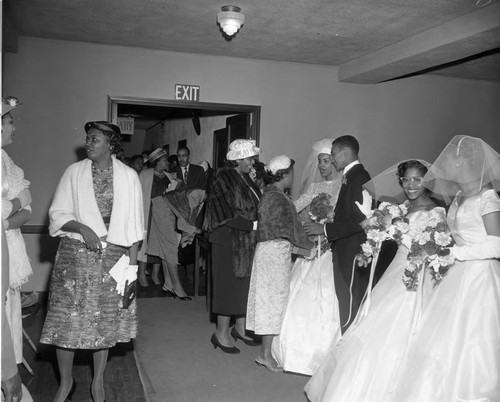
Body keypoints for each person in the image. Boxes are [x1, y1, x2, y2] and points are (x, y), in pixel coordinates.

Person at [305, 159, 444, 401]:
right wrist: (376, 225)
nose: (411, 185)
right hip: (394, 274)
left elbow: (433, 252)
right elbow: (378, 231)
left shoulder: (436, 212)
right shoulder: (401, 207)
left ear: (428, 181)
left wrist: (399, 233)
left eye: (417, 179)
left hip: (414, 280)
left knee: (399, 333)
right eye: (406, 179)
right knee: (371, 327)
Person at [40, 121, 144, 402]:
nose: (88, 143)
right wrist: (83, 228)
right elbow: (58, 214)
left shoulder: (129, 176)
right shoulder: (73, 173)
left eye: (94, 139)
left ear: (111, 143)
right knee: (66, 322)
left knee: (104, 321)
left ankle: (98, 382)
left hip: (113, 256)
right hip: (74, 258)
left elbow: (135, 228)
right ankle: (66, 383)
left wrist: (131, 270)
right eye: (87, 138)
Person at [394, 136, 500, 401]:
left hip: (478, 276)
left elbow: (496, 246)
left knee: (472, 339)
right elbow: (452, 234)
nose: (442, 167)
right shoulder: (461, 195)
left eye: (448, 160)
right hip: (455, 272)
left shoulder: (488, 197)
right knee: (443, 336)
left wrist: (453, 253)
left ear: (461, 161)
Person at [272, 139, 343, 375]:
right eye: (319, 161)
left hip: (335, 250)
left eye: (326, 161)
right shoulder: (315, 189)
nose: (321, 166)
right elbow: (292, 208)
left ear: (335, 161)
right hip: (315, 248)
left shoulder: (346, 186)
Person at [246, 155, 312, 372]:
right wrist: (308, 245)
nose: (294, 176)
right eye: (292, 172)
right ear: (284, 175)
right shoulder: (277, 198)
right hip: (274, 253)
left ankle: (265, 352)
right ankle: (265, 354)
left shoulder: (271, 193)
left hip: (270, 252)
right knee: (273, 304)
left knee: (270, 302)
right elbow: (284, 228)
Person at [304, 135, 371, 332]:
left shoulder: (359, 177)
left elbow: (360, 221)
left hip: (352, 251)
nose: (332, 160)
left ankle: (349, 348)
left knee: (350, 302)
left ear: (345, 152)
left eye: (333, 155)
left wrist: (324, 229)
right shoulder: (351, 176)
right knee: (345, 301)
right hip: (343, 249)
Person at [203, 139, 262, 354]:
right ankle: (220, 333)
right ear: (237, 159)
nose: (252, 162)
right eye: (249, 158)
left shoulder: (244, 176)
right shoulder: (222, 176)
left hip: (245, 240)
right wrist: (252, 225)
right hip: (227, 240)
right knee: (228, 288)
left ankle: (239, 327)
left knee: (243, 286)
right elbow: (224, 211)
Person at [1, 96, 33, 370]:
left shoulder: (5, 158)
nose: (14, 128)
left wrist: (9, 222)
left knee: (11, 314)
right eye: (10, 122)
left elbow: (29, 207)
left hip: (9, 244)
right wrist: (19, 201)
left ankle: (9, 377)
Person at [137, 148, 190, 299]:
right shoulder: (145, 175)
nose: (167, 162)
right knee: (155, 247)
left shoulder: (168, 176)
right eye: (165, 160)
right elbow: (139, 196)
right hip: (151, 214)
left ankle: (168, 283)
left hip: (167, 217)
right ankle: (172, 285)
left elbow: (173, 195)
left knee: (165, 248)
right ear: (157, 162)